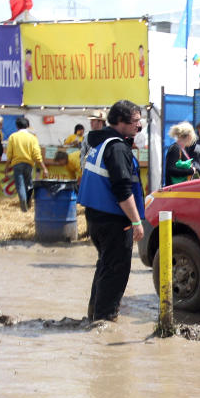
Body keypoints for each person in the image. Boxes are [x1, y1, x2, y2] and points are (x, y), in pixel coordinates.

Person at [78, 99, 146, 322]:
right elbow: (122, 189)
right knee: (116, 271)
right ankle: (104, 322)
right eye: (135, 121)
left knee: (105, 267)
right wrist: (136, 222)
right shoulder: (116, 148)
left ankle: (95, 315)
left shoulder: (102, 142)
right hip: (114, 220)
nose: (139, 125)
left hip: (97, 218)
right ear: (119, 122)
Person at [6, 116, 49, 211]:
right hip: (29, 164)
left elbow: (9, 154)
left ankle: (23, 202)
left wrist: (6, 166)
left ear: (17, 126)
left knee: (20, 185)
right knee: (29, 184)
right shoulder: (32, 138)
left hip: (17, 164)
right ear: (28, 126)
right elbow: (37, 155)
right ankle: (28, 201)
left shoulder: (13, 137)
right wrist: (44, 168)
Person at [164, 122, 197, 186]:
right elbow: (171, 170)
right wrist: (191, 171)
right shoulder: (175, 148)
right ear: (189, 136)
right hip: (174, 190)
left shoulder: (183, 149)